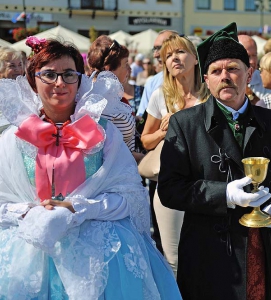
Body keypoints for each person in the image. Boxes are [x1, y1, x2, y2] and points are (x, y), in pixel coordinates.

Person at [0, 37, 181, 299]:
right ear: (33, 79)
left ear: (80, 79)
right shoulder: (14, 138)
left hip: (100, 259)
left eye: (68, 74)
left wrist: (81, 209)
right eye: (49, 74)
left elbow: (130, 196)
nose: (60, 83)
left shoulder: (103, 133)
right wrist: (30, 214)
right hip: (29, 253)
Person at [158, 22, 271, 300]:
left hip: (266, 248)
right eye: (216, 71)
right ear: (206, 78)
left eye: (233, 69)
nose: (225, 76)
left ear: (249, 73)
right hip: (210, 254)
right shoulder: (185, 124)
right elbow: (169, 188)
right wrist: (224, 194)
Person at [140, 34, 209, 276]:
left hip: (205, 183)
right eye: (168, 56)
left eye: (180, 52)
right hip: (171, 184)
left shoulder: (209, 95)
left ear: (195, 58)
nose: (174, 58)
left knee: (205, 252)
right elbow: (145, 141)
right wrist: (162, 131)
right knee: (173, 258)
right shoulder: (161, 95)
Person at [87, 35, 145, 162]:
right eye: (125, 64)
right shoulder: (100, 102)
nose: (129, 69)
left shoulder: (103, 96)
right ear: (109, 68)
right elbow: (104, 152)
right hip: (112, 176)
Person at [136, 30, 179, 118]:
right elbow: (142, 118)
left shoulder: (198, 81)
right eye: (154, 49)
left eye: (160, 48)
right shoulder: (152, 83)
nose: (155, 55)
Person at [238, 34, 271, 105]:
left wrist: (251, 96)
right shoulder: (225, 79)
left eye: (254, 55)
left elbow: (269, 111)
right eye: (248, 56)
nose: (252, 61)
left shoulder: (266, 81)